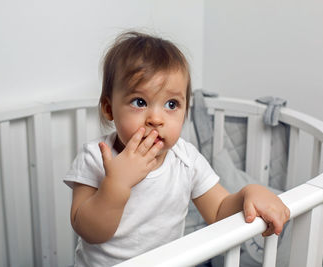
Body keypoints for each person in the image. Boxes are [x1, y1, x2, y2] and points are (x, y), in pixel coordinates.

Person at [64, 31, 290, 267]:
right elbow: (89, 231)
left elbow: (219, 211)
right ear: (109, 109)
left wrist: (247, 194)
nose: (156, 118)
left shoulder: (186, 159)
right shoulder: (96, 157)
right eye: (139, 102)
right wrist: (117, 184)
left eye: (171, 104)